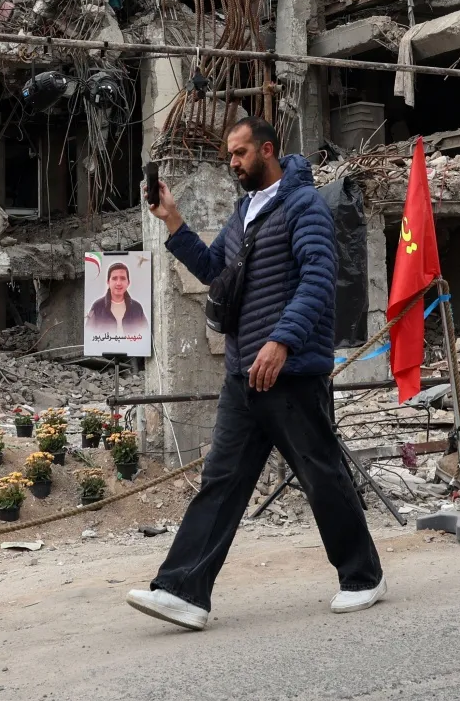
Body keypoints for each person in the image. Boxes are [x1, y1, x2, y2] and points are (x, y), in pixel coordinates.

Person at [128, 117, 385, 631]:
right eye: (230, 155)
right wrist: (174, 223)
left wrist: (281, 341)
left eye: (240, 153)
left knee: (321, 475)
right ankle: (184, 591)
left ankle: (363, 578)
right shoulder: (244, 212)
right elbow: (216, 273)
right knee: (221, 479)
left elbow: (319, 279)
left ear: (267, 150)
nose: (233, 163)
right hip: (244, 373)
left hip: (289, 372)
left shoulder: (303, 204)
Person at [86, 262, 149, 338]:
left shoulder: (137, 308)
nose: (118, 283)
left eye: (122, 278)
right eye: (114, 278)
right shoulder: (97, 307)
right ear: (108, 282)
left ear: (128, 282)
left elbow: (145, 336)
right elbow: (89, 337)